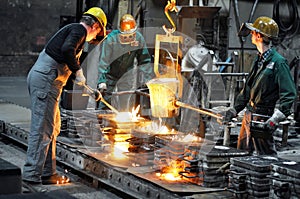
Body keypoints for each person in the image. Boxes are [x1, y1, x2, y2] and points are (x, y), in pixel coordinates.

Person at [22, 7, 107, 185]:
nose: (92, 40)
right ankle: (31, 174)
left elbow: (71, 71)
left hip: (50, 82)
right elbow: (68, 50)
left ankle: (47, 173)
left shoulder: (74, 33)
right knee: (42, 129)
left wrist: (91, 91)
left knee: (52, 128)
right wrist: (79, 70)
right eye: (97, 35)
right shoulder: (79, 29)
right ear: (96, 26)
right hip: (45, 80)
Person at [224, 16, 297, 155]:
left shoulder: (278, 63)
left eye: (253, 32)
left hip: (263, 118)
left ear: (258, 35)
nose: (251, 34)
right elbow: (248, 90)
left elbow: (289, 94)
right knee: (242, 157)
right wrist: (235, 110)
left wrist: (275, 119)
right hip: (248, 115)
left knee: (265, 158)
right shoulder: (258, 60)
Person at [97, 14, 152, 110]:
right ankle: (101, 123)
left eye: (131, 36)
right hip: (111, 74)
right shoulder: (111, 39)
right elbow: (104, 62)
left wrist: (148, 79)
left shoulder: (138, 39)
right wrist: (102, 81)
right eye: (125, 37)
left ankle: (123, 123)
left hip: (127, 75)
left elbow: (144, 61)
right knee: (106, 101)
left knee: (125, 104)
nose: (128, 39)